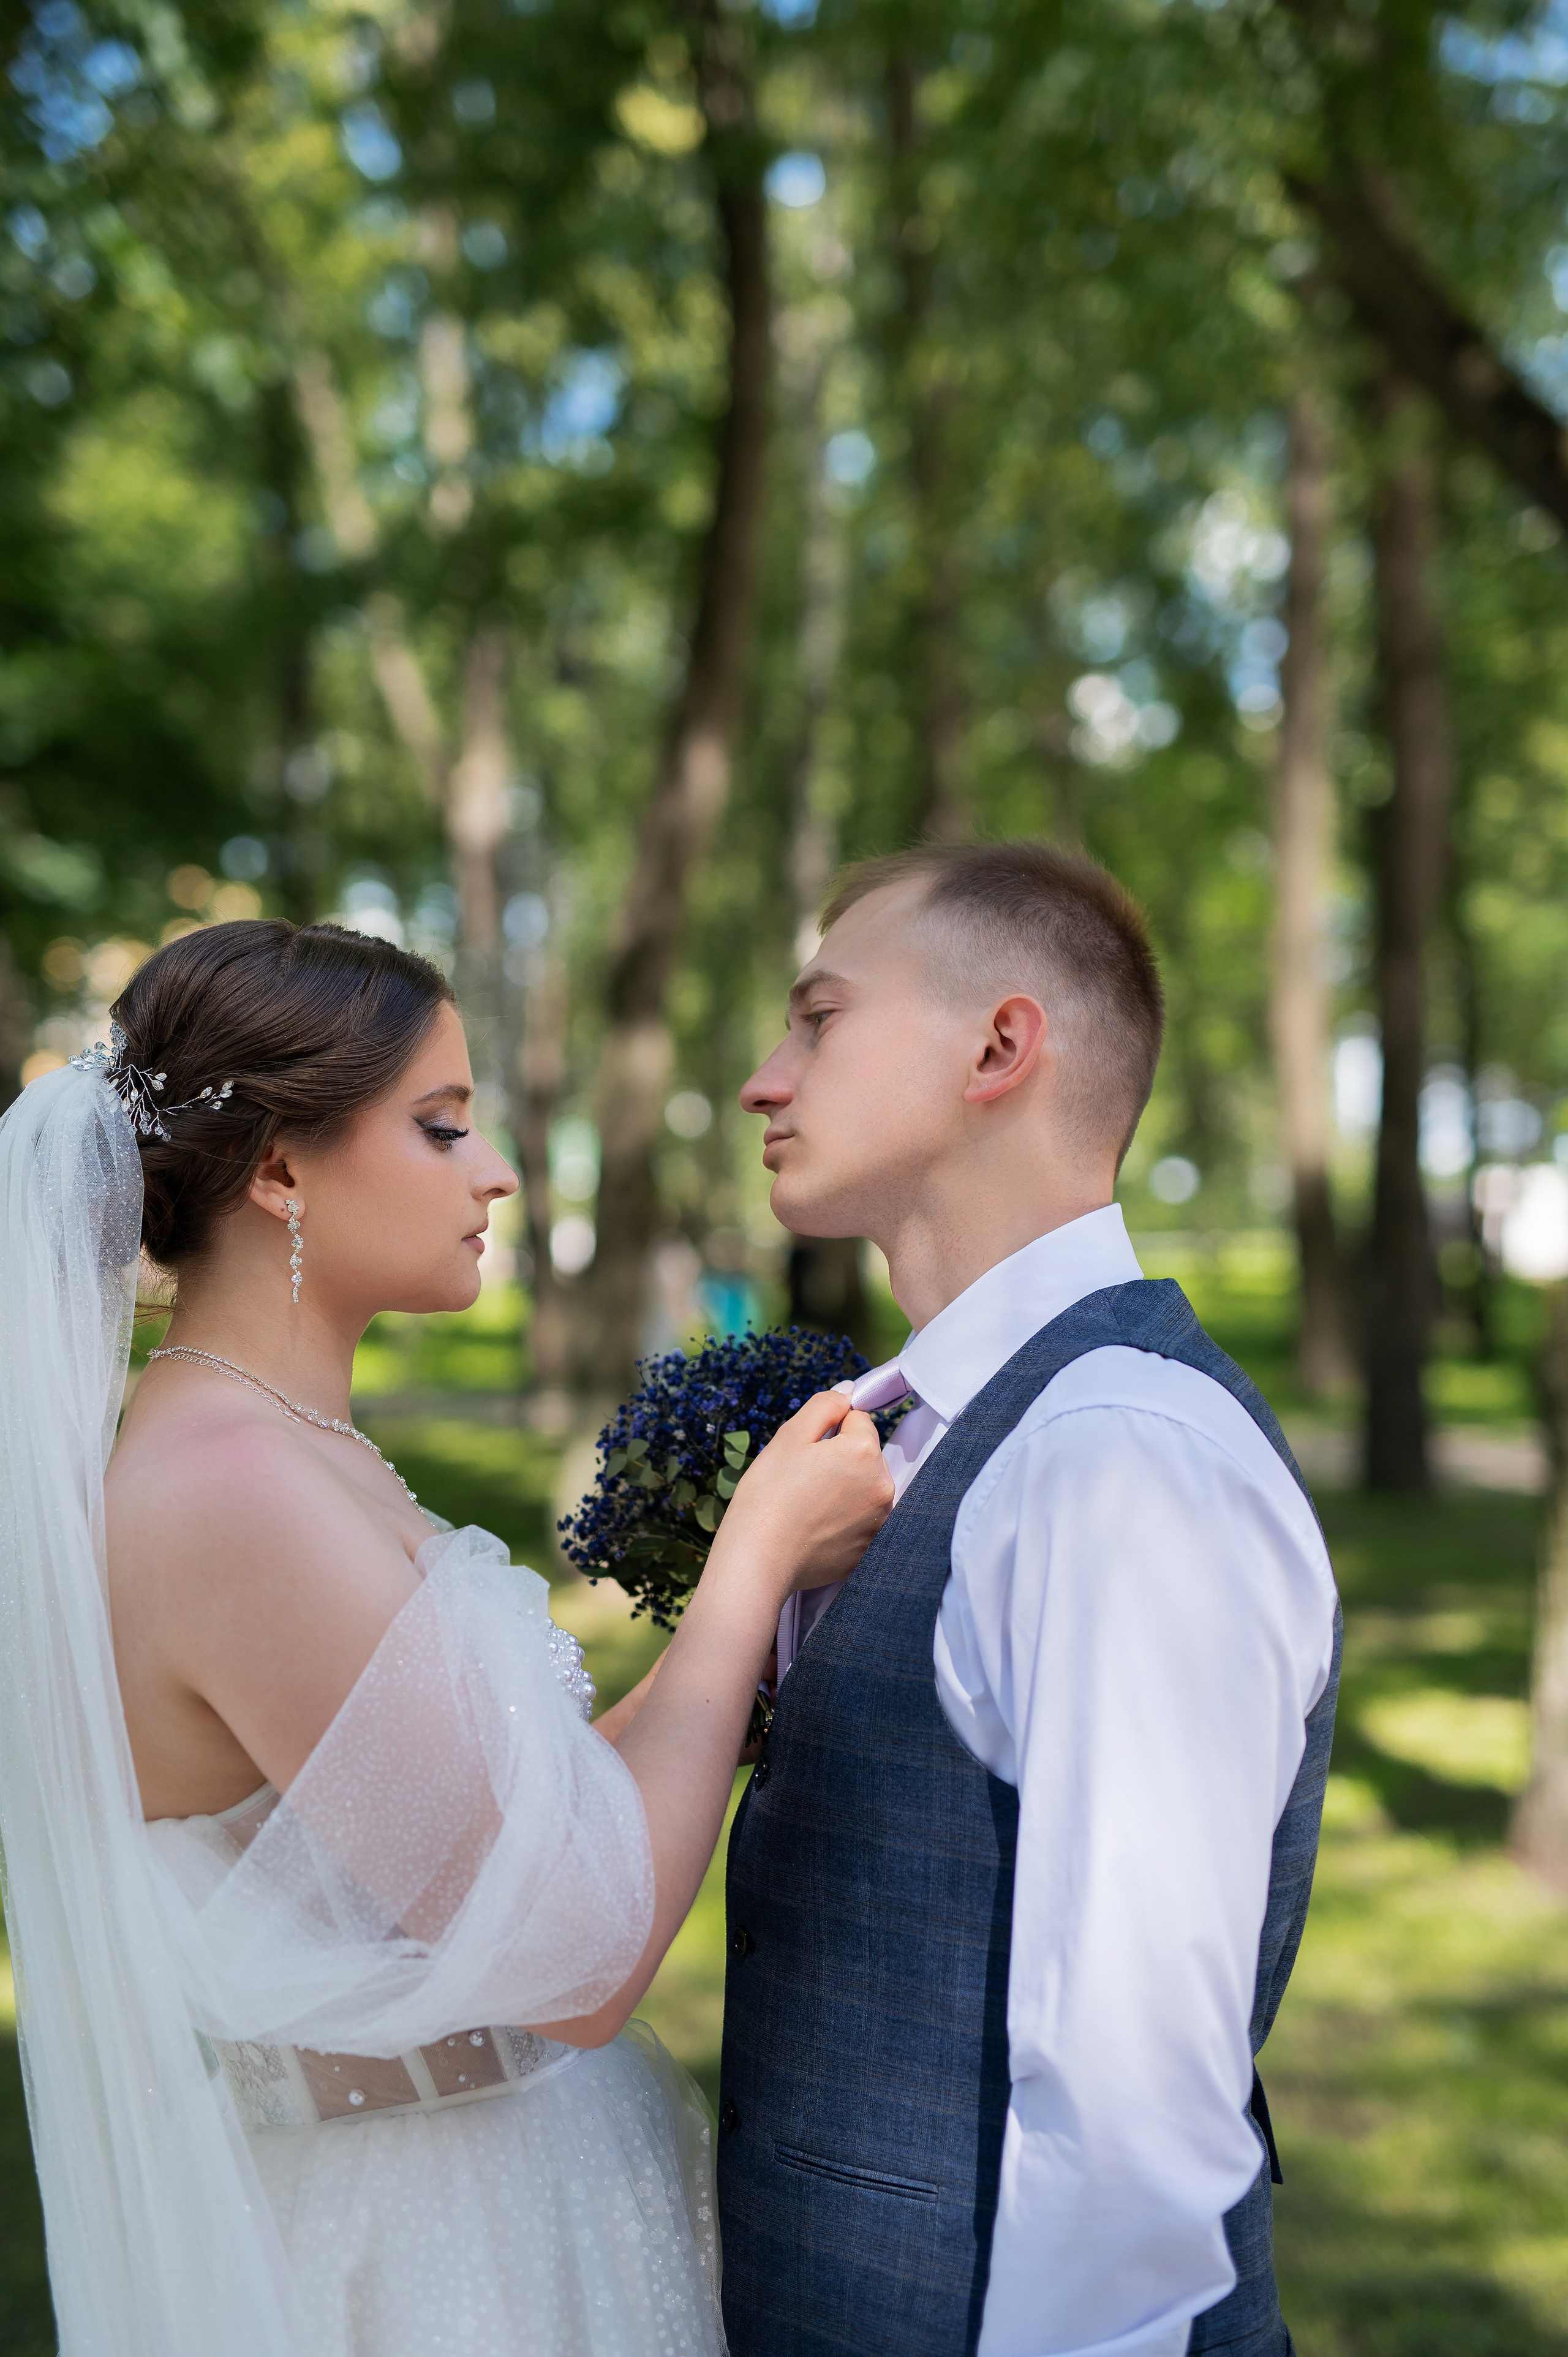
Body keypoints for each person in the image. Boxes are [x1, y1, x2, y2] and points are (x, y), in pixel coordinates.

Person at [0, 918, 891, 2357]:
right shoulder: (229, 1492)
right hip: (437, 2258)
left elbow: (506, 1829)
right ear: (278, 1167)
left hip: (498, 2177)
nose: (494, 1172)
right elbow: (577, 1963)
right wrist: (752, 1566)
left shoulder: (288, 1446)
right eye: (439, 1127)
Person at [723, 842, 1341, 2357]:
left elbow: (1127, 2110)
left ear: (999, 1045)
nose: (760, 1076)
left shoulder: (1112, 1455)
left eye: (815, 1018)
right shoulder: (943, 1433)